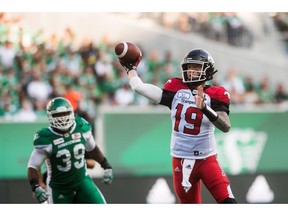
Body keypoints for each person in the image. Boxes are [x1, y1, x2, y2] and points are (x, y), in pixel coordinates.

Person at [118, 48, 237, 204]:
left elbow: (225, 126)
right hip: (181, 160)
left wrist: (205, 108)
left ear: (207, 70)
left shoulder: (216, 93)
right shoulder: (175, 87)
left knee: (229, 202)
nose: (191, 71)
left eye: (196, 67)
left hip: (206, 159)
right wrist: (130, 69)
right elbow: (139, 87)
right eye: (189, 67)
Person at [27, 97, 113, 204]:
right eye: (57, 115)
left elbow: (93, 149)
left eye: (65, 113)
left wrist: (106, 165)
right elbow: (33, 166)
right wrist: (36, 186)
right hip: (59, 187)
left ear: (72, 113)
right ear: (50, 116)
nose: (62, 118)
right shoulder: (46, 138)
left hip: (82, 181)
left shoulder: (81, 126)